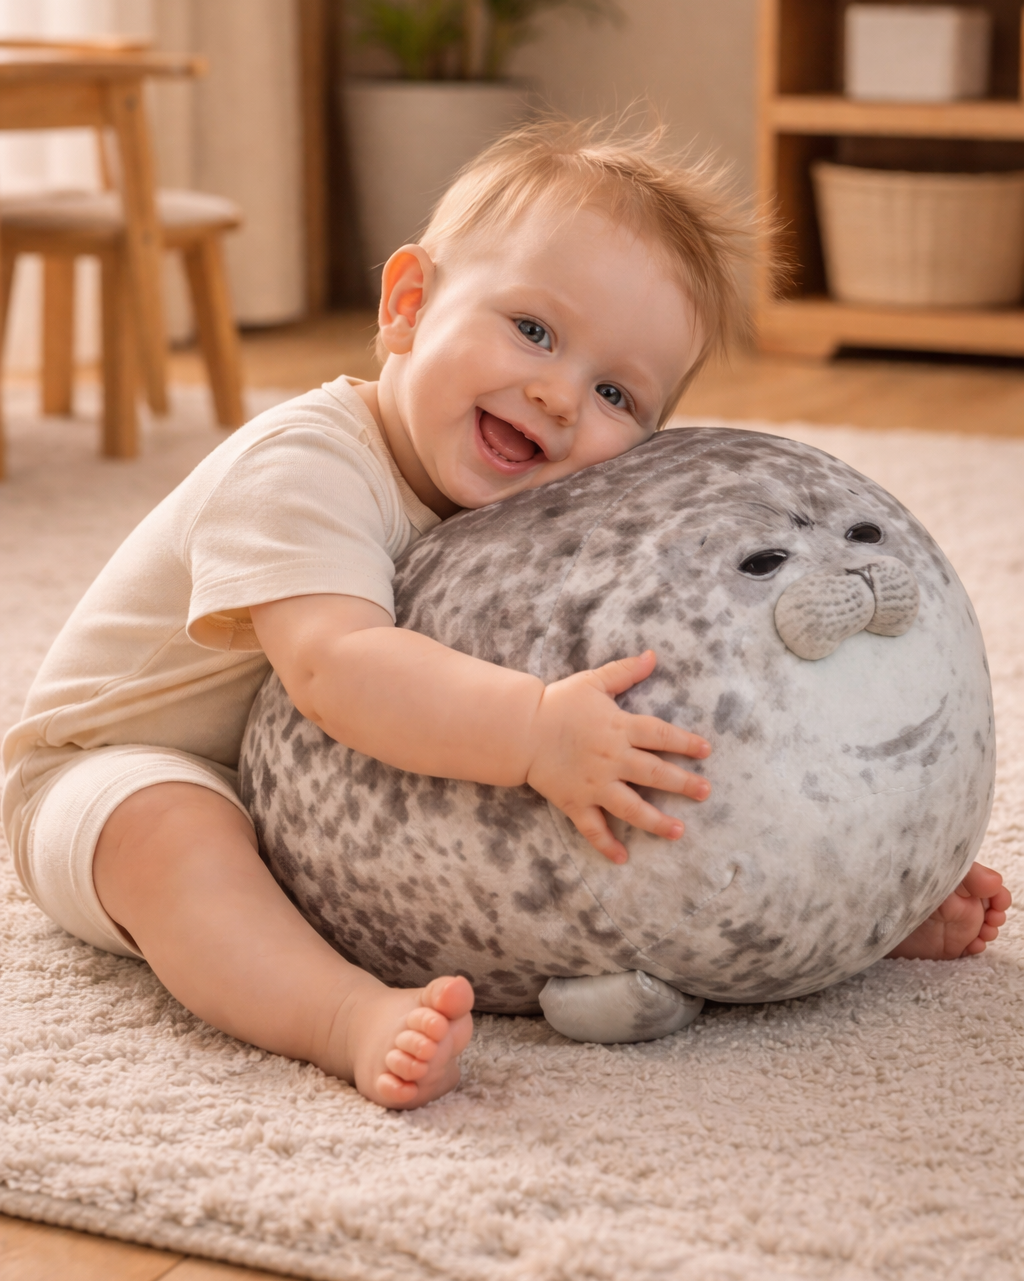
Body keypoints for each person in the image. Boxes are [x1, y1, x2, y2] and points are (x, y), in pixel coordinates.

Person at [2, 122, 1010, 1111]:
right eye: (532, 330)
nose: (559, 395)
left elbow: (685, 714)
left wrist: (867, 871)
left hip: (305, 805)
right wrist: (534, 729)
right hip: (109, 767)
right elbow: (337, 671)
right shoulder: (301, 470)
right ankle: (336, 1014)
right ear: (407, 304)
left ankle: (811, 930)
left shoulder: (532, 527)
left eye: (616, 392)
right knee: (176, 836)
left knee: (589, 753)